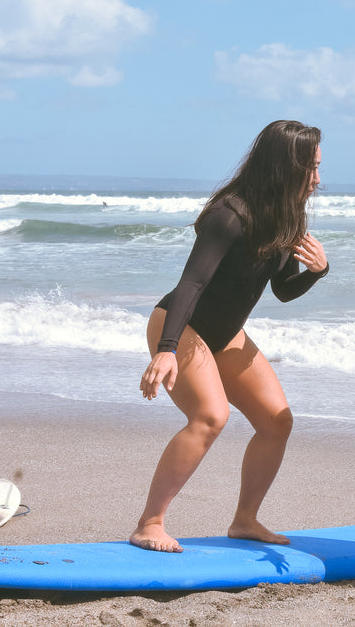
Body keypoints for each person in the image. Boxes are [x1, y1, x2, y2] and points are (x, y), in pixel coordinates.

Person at [131, 120, 329, 553]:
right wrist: (167, 349)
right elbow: (192, 284)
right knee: (209, 417)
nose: (318, 178)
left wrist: (318, 272)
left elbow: (282, 289)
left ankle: (245, 520)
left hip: (226, 334)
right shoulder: (229, 214)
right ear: (286, 166)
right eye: (311, 168)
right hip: (182, 326)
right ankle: (150, 523)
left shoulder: (288, 216)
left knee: (277, 421)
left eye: (318, 168)